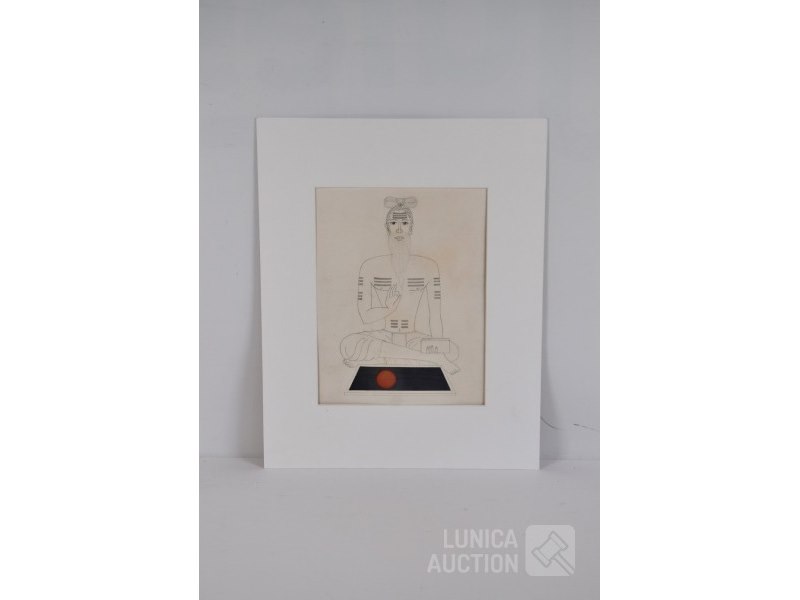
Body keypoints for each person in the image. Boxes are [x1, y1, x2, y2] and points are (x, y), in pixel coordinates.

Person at [340, 197, 460, 374]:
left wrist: (438, 345)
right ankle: (429, 359)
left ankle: (391, 356)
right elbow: (365, 316)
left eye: (404, 223)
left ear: (411, 227)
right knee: (348, 344)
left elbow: (435, 316)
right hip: (383, 336)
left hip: (413, 337)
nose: (398, 228)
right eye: (393, 222)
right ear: (387, 227)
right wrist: (388, 308)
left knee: (452, 350)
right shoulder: (369, 266)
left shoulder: (429, 266)